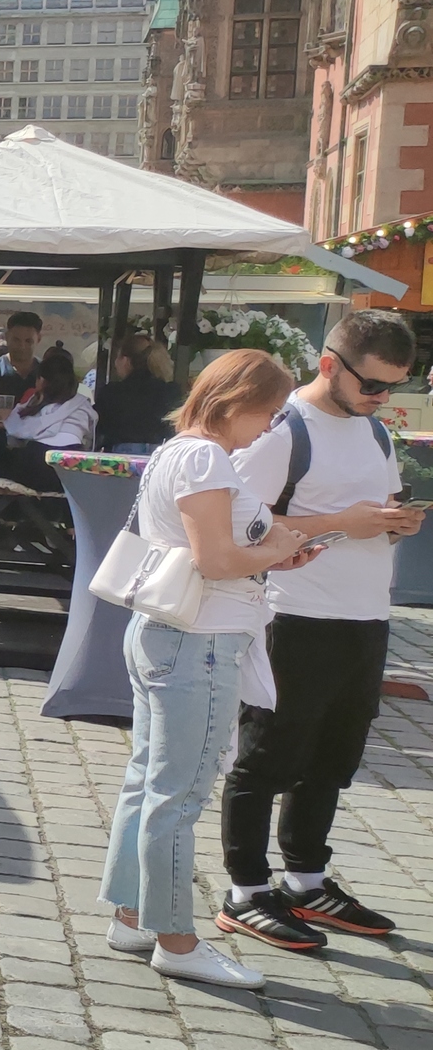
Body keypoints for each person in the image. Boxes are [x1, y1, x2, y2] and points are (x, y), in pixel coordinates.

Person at [99, 349, 314, 990]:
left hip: (173, 632)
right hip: (200, 638)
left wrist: (271, 551)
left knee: (149, 782)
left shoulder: (178, 451)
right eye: (270, 413)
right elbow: (216, 560)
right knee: (179, 794)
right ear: (237, 402)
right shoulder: (205, 457)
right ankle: (176, 940)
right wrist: (276, 548)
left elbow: (210, 551)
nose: (271, 426)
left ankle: (134, 916)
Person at [217, 312, 422, 950]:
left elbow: (373, 512)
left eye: (394, 386)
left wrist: (395, 523)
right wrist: (344, 522)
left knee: (334, 757)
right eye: (372, 384)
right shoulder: (282, 429)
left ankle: (306, 879)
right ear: (329, 364)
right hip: (293, 612)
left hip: (366, 614)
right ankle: (246, 890)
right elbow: (240, 522)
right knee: (267, 755)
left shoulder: (374, 431)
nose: (381, 398)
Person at [0, 347, 96, 489]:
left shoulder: (38, 402)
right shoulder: (83, 404)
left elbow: (17, 430)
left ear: (42, 380)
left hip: (39, 461)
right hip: (74, 464)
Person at [97, 335, 182, 454]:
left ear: (125, 360)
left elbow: (100, 426)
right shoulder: (171, 391)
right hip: (161, 453)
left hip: (121, 455)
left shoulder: (112, 392)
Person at [0, 310, 43, 403]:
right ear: (7, 337)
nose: (22, 346)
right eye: (16, 340)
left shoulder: (47, 375)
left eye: (28, 341)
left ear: (39, 339)